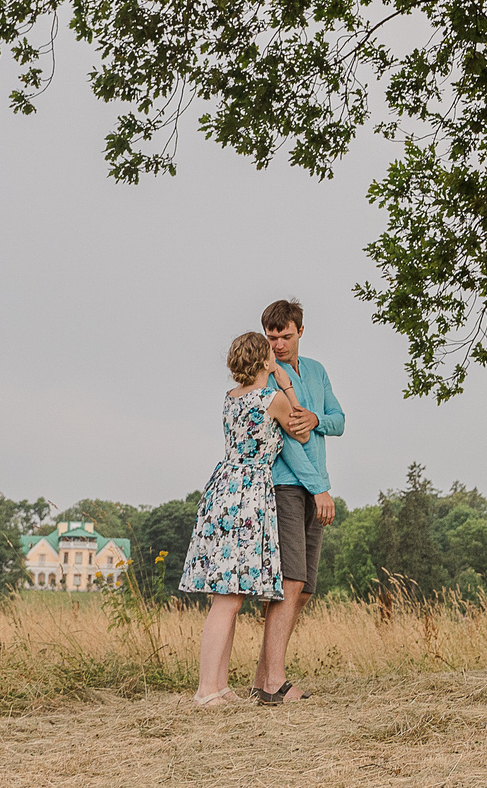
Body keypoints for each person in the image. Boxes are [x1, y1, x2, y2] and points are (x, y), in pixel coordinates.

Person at [180, 330, 301, 708]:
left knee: (229, 596)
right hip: (249, 495)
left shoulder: (230, 399)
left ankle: (218, 685)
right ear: (265, 361)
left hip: (225, 486)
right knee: (228, 598)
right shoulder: (272, 399)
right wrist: (288, 386)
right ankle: (205, 690)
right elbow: (298, 425)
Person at [252, 297, 344, 706]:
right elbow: (287, 442)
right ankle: (274, 683)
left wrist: (316, 419)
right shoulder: (267, 376)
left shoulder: (318, 371)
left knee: (305, 587)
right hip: (287, 485)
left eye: (285, 336)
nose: (278, 344)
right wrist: (318, 487)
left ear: (300, 331)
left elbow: (338, 421)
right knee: (289, 582)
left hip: (317, 485)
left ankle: (262, 677)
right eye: (271, 337)